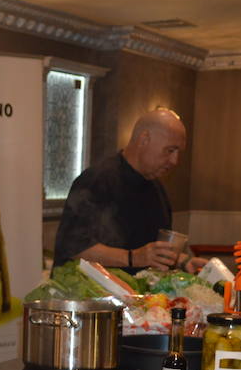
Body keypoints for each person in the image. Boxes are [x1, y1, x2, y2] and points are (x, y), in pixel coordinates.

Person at [53, 107, 203, 274]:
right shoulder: (97, 180)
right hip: (90, 296)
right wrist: (133, 258)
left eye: (178, 152)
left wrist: (180, 259)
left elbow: (150, 249)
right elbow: (74, 248)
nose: (175, 161)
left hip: (136, 296)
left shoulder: (157, 189)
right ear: (144, 139)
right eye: (170, 150)